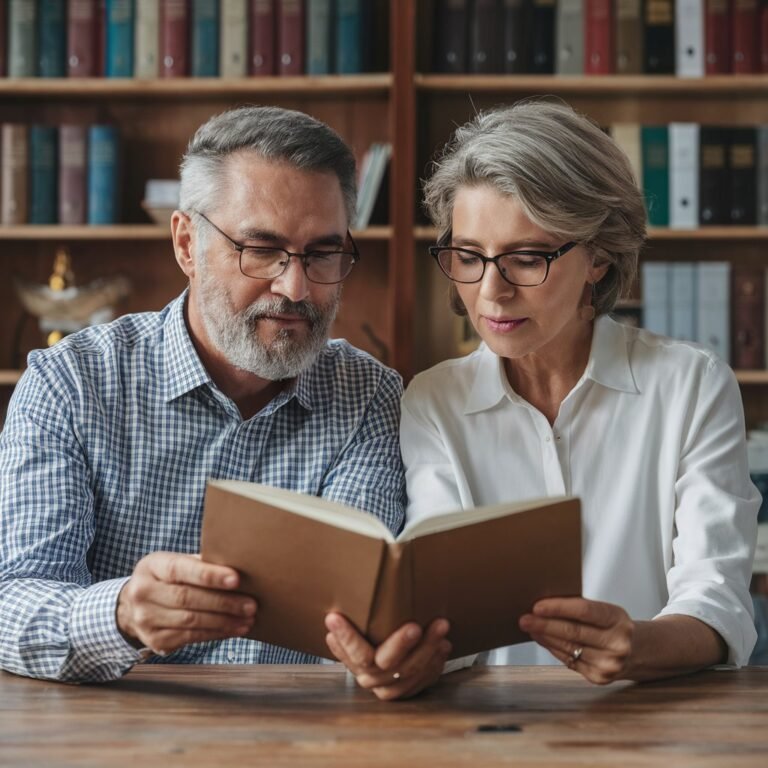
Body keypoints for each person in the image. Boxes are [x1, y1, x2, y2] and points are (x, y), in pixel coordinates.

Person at [0, 105, 427, 685]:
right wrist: (122, 614)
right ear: (185, 244)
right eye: (260, 249)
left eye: (323, 253)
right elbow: (12, 602)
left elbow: (356, 609)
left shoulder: (369, 395)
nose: (295, 287)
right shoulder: (70, 384)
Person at [398, 100, 759, 684]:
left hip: (653, 722)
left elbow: (718, 599)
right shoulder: (433, 401)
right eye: (468, 257)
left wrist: (639, 646)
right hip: (489, 730)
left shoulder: (690, 385)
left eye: (526, 258)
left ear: (597, 257)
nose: (491, 292)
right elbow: (445, 607)